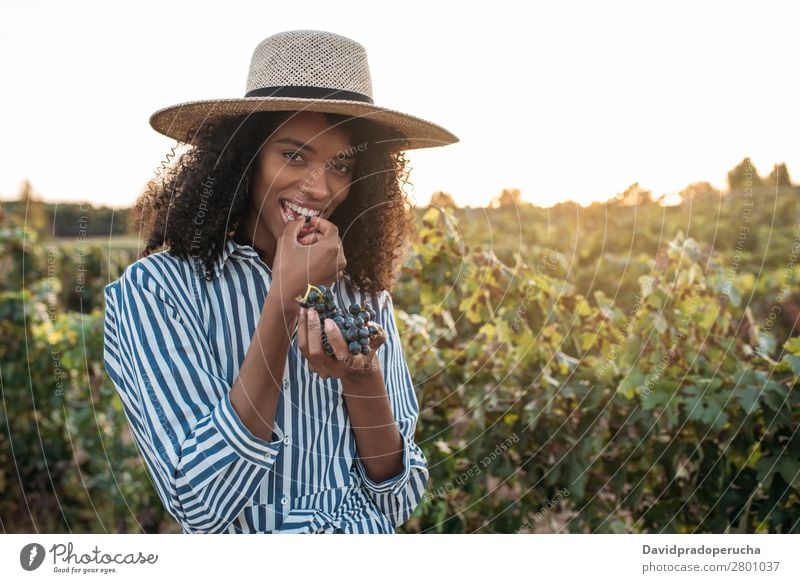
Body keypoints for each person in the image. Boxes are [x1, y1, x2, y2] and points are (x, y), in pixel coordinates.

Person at [102, 29, 458, 533]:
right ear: (245, 158)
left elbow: (399, 498)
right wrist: (284, 301)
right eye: (294, 156)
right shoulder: (158, 291)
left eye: (341, 165)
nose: (318, 187)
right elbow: (200, 506)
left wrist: (361, 376)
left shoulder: (362, 294)